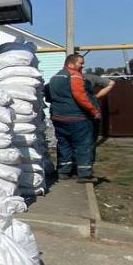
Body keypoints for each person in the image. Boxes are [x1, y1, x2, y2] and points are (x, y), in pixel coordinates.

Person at [45, 53, 100, 183]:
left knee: (64, 144)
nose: (82, 66)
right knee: (83, 145)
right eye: (80, 63)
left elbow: (47, 94)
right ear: (71, 63)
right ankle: (84, 174)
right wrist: (93, 110)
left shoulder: (54, 77)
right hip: (76, 117)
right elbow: (80, 96)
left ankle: (63, 171)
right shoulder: (74, 76)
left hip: (58, 117)